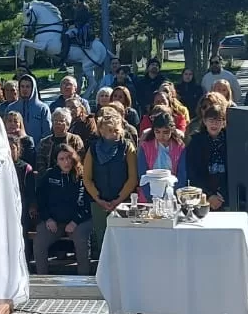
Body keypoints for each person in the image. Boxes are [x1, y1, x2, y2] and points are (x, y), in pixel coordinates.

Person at [82, 111, 138, 256]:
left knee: (124, 245)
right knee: (103, 244)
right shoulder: (93, 149)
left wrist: (118, 201)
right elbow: (87, 178)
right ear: (101, 131)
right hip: (99, 204)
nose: (114, 134)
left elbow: (132, 178)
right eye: (109, 131)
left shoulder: (127, 147)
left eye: (116, 130)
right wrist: (98, 199)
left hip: (122, 203)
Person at [34, 143, 94, 275]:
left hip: (78, 221)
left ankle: (83, 278)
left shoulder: (82, 176)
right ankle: (42, 279)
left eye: (68, 158)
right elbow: (40, 200)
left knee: (81, 241)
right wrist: (48, 218)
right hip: (54, 221)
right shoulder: (49, 176)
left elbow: (87, 204)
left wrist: (75, 221)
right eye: (62, 159)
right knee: (39, 242)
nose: (66, 162)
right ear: (56, 161)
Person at [185, 103, 232, 212]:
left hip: (226, 197)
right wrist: (209, 195)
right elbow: (193, 172)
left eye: (218, 120)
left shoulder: (230, 140)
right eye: (211, 120)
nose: (214, 124)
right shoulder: (195, 142)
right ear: (205, 121)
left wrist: (223, 195)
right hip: (203, 197)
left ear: (224, 123)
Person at [137, 111, 187, 202]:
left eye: (165, 132)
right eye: (158, 132)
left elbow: (182, 175)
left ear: (172, 130)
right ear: (153, 131)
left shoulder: (180, 147)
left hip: (172, 194)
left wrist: (172, 195)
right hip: (148, 195)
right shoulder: (145, 147)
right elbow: (142, 175)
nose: (161, 136)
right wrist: (151, 197)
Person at [37, 108, 85, 174]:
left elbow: (80, 160)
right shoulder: (44, 142)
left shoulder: (75, 140)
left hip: (71, 176)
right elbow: (40, 163)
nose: (57, 123)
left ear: (68, 124)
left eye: (61, 121)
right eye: (55, 120)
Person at [10, 74, 53, 142]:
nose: (24, 89)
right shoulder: (11, 108)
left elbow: (47, 133)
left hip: (38, 149)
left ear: (33, 88)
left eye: (28, 87)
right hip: (15, 148)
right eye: (22, 86)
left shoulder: (43, 108)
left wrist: (40, 148)